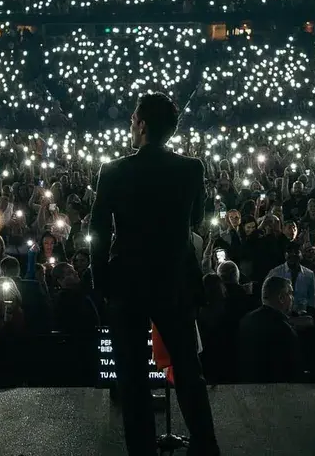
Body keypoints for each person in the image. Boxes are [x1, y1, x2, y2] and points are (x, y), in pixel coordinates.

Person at [90, 92, 219, 456]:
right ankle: (206, 446)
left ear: (142, 125)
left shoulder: (113, 171)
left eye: (132, 121)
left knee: (132, 377)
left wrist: (101, 285)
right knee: (188, 368)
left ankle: (142, 451)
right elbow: (195, 220)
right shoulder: (192, 169)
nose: (131, 127)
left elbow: (98, 231)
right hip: (175, 280)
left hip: (127, 283)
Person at [238, 276, 301, 382]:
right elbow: (293, 371)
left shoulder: (246, 320)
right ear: (281, 297)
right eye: (290, 293)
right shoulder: (284, 330)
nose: (292, 298)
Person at [266, 242, 315, 314]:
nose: (293, 254)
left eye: (296, 251)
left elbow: (312, 298)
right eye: (289, 252)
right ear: (285, 255)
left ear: (301, 254)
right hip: (280, 314)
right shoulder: (275, 272)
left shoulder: (309, 274)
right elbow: (267, 294)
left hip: (301, 315)